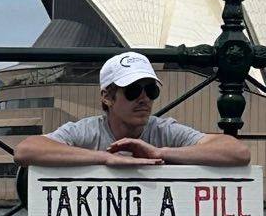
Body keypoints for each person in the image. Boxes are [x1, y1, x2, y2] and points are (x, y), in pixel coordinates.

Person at [14, 52, 250, 167]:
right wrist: (105, 159)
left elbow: (237, 152)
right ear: (107, 97)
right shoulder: (86, 131)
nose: (144, 99)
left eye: (151, 90)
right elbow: (25, 151)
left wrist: (160, 153)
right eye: (133, 90)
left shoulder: (164, 131)